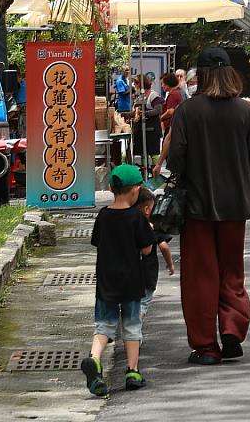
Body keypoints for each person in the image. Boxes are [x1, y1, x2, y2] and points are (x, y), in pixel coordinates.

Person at [167, 46, 250, 365]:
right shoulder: (244, 110)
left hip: (196, 205)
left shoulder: (188, 110)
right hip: (236, 203)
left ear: (201, 75)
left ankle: (207, 346)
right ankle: (232, 330)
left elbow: (177, 160)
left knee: (200, 275)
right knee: (232, 271)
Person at [80, 164, 155, 396]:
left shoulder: (103, 216)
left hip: (106, 283)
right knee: (132, 327)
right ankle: (132, 371)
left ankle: (95, 360)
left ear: (111, 188)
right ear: (136, 190)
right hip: (132, 283)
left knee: (104, 326)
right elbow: (146, 250)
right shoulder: (137, 218)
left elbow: (97, 243)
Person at [134, 187, 175, 319]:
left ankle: (129, 322)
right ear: (147, 210)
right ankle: (135, 327)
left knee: (131, 303)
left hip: (130, 274)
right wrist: (170, 264)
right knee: (142, 305)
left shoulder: (129, 225)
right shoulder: (151, 227)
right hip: (148, 275)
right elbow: (164, 247)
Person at [132, 74, 164, 165]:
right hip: (141, 130)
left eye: (136, 83)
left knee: (153, 153)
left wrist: (145, 113)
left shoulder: (153, 95)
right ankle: (144, 172)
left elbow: (158, 110)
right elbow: (136, 112)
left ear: (141, 84)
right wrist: (123, 115)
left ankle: (156, 174)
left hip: (152, 130)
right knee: (142, 153)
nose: (135, 85)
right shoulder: (140, 97)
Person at [159, 72, 183, 139]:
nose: (162, 86)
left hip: (171, 126)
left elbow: (170, 111)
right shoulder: (176, 92)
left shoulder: (173, 94)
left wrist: (161, 118)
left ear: (168, 84)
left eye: (163, 83)